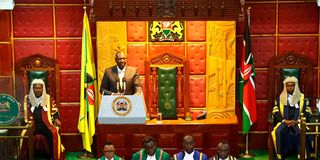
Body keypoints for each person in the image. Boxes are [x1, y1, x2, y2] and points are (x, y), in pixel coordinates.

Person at [21, 79, 64, 160]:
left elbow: (55, 111)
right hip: (32, 125)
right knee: (25, 134)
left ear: (43, 88)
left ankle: (53, 156)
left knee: (53, 133)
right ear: (32, 88)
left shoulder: (49, 98)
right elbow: (22, 112)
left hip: (46, 124)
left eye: (39, 88)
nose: (37, 90)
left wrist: (57, 119)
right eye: (36, 88)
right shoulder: (27, 98)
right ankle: (25, 156)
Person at [271, 76, 312, 160]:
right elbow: (275, 111)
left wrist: (298, 121)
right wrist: (284, 120)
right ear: (285, 86)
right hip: (284, 121)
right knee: (278, 131)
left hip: (298, 121)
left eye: (292, 85)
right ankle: (281, 156)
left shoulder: (302, 98)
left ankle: (301, 155)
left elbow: (308, 111)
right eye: (288, 85)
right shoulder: (279, 98)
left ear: (295, 86)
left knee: (300, 132)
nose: (290, 87)